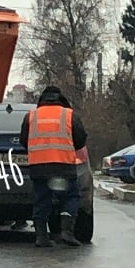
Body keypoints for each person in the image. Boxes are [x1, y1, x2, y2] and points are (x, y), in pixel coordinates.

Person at [19, 85, 87, 247]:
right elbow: (80, 139)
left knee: (42, 200)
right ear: (60, 99)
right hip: (63, 166)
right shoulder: (69, 115)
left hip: (39, 167)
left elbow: (24, 140)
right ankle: (67, 232)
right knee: (70, 197)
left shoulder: (31, 116)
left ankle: (41, 237)